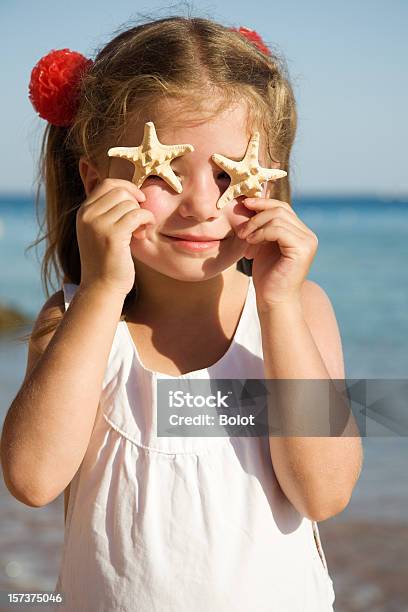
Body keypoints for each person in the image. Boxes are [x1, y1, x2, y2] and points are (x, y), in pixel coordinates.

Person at [0, 15, 363, 612]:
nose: (200, 206)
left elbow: (323, 492)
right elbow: (33, 480)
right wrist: (99, 291)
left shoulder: (300, 310)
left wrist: (277, 304)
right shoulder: (77, 322)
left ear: (269, 179)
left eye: (229, 173)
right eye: (161, 170)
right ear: (96, 179)